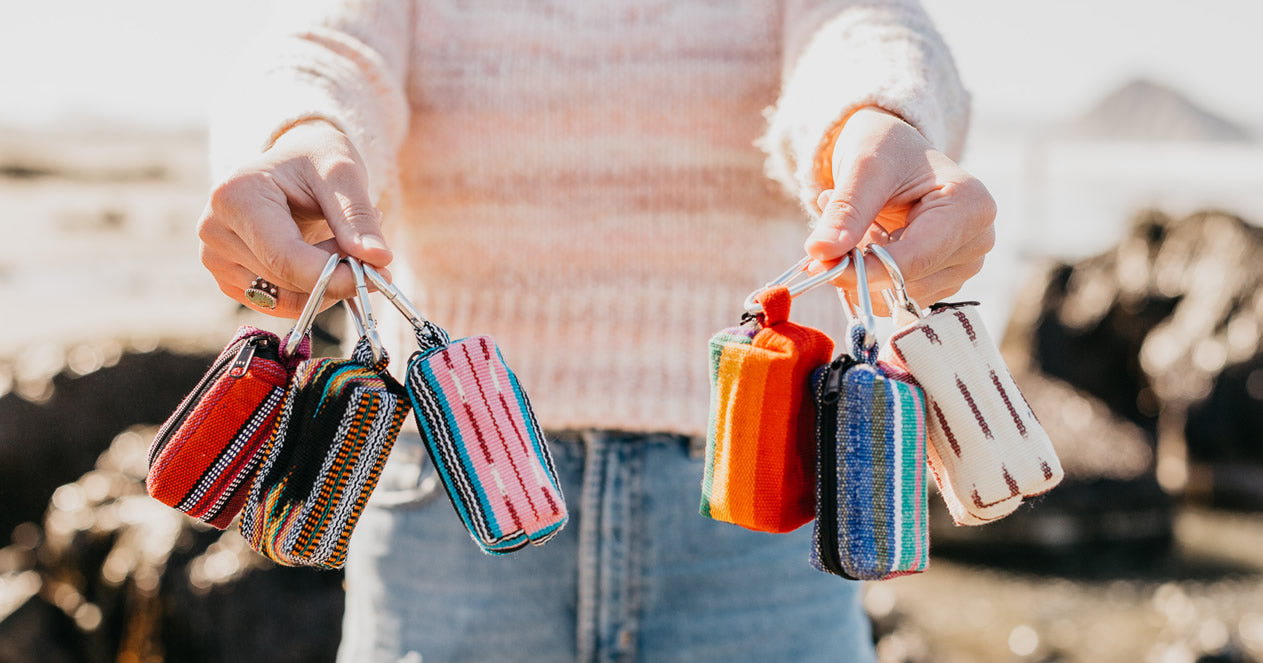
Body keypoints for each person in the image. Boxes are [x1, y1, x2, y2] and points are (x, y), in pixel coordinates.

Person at [197, 1, 995, 661]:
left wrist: (876, 117)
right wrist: (297, 133)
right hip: (447, 495)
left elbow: (862, 30)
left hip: (764, 495)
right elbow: (327, 46)